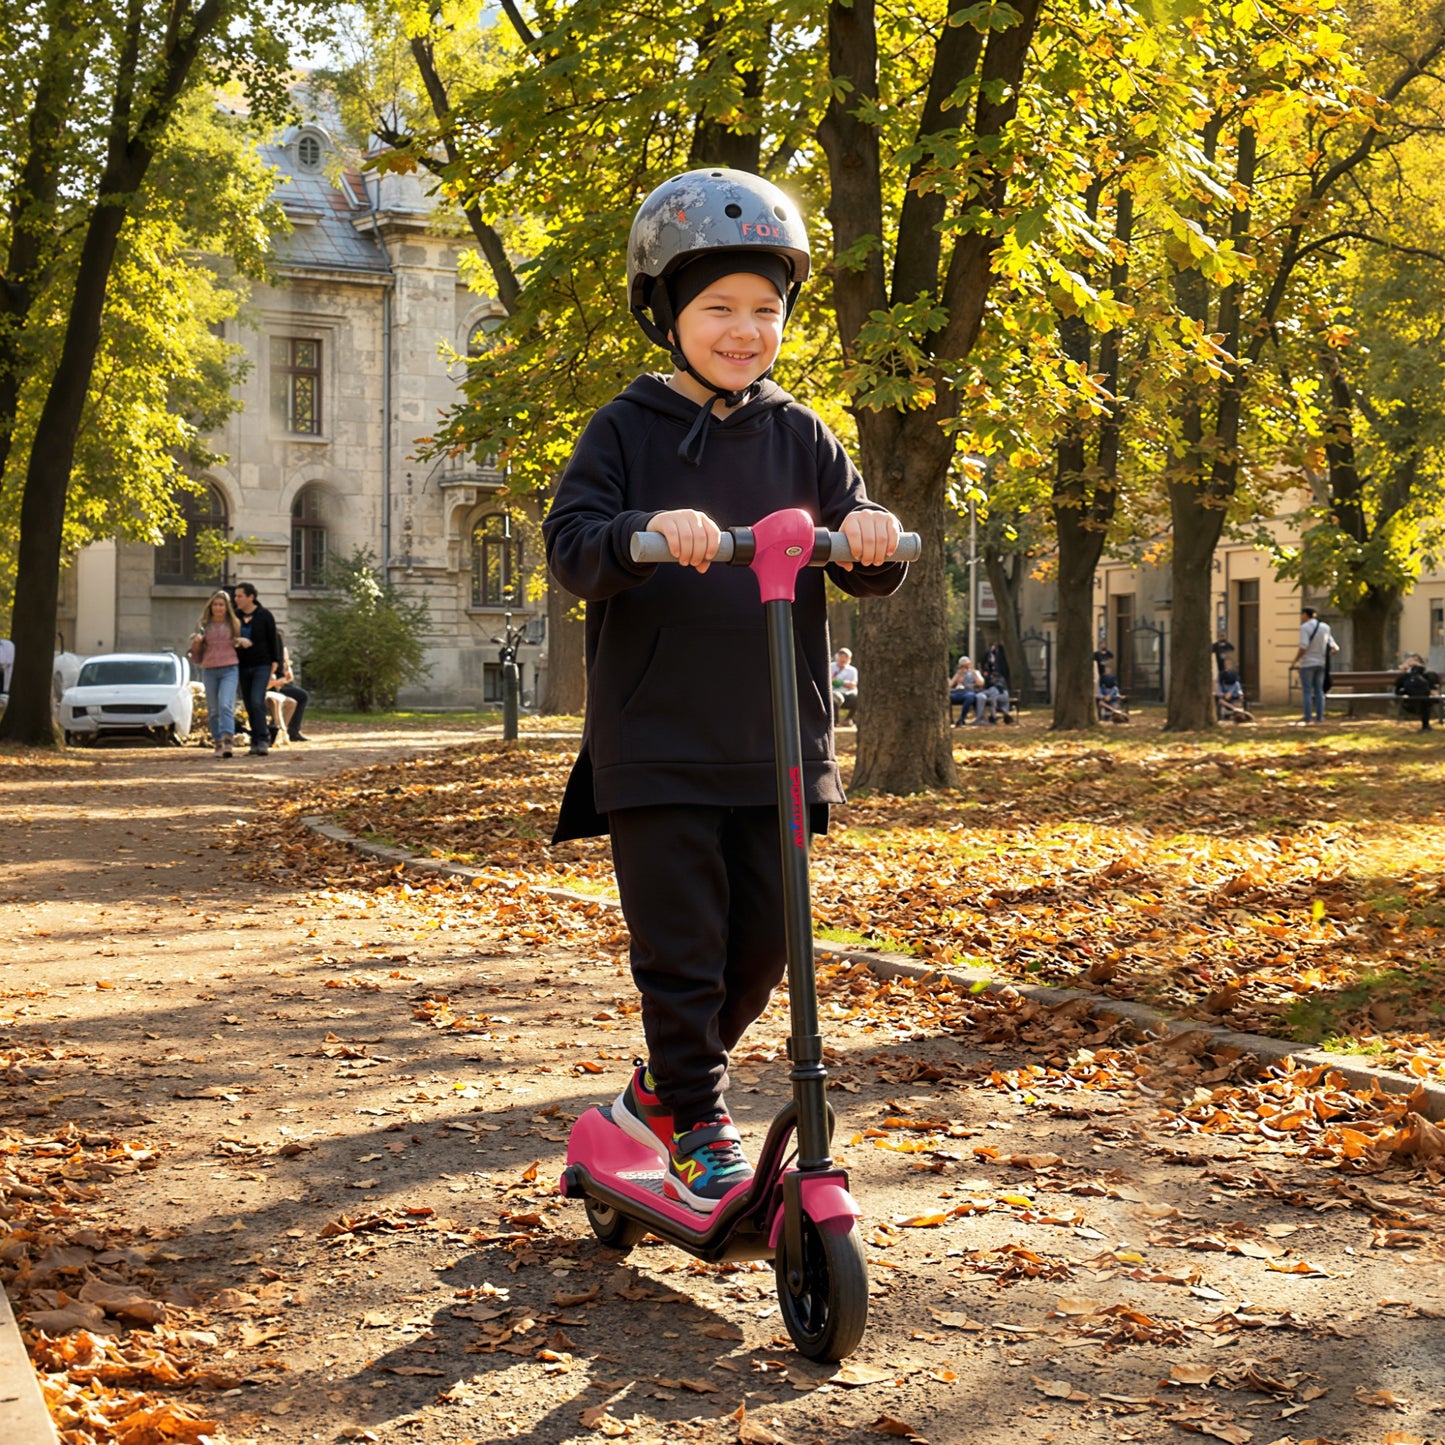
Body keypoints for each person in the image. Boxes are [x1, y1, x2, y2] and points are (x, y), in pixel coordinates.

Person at [543, 168, 905, 1214]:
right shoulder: (626, 430)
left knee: (758, 954)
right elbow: (572, 547)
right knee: (683, 947)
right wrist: (643, 536)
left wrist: (872, 535)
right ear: (665, 311)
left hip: (773, 736)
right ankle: (698, 1115)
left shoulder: (801, 435)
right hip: (655, 741)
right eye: (718, 309)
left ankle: (653, 1094)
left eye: (764, 309)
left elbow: (858, 551)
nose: (744, 330)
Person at [188, 590, 245, 758]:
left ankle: (228, 742)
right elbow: (196, 652)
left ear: (227, 607)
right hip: (209, 669)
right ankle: (217, 742)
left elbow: (240, 643)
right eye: (215, 604)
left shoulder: (234, 623)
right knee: (213, 709)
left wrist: (240, 642)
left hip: (230, 668)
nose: (218, 608)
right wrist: (197, 643)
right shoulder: (203, 624)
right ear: (210, 606)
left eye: (222, 605)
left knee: (225, 705)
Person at [232, 583, 280, 755]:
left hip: (262, 664)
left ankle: (263, 739)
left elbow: (273, 640)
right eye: (235, 596)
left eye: (239, 596)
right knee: (249, 704)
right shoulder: (235, 616)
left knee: (257, 701)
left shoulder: (264, 615)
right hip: (242, 665)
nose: (236, 599)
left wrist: (275, 661)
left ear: (251, 597)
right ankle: (255, 740)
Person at [1291, 605, 1338, 725]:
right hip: (1321, 663)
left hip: (1308, 663)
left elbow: (1303, 646)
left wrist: (1296, 660)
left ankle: (1307, 717)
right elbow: (1334, 647)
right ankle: (1320, 717)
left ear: (1306, 615)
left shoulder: (1305, 627)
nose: (1302, 617)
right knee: (1319, 691)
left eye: (1302, 615)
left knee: (1307, 691)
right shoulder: (1325, 627)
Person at [267, 633, 311, 743]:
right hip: (271, 687)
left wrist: (287, 674)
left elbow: (288, 674)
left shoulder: (281, 652)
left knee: (301, 695)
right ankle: (290, 731)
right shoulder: (267, 655)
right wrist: (279, 681)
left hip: (280, 684)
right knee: (301, 696)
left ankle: (293, 730)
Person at [1394, 655, 1440, 732]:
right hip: (1412, 700)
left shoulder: (1429, 674)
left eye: (1415, 661)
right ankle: (1426, 726)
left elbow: (1434, 687)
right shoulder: (1405, 676)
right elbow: (1397, 687)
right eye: (1410, 662)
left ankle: (1425, 726)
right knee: (1424, 699)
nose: (1413, 663)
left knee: (1424, 698)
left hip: (1422, 699)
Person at [948, 655, 983, 725]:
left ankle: (962, 718)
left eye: (966, 665)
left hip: (969, 692)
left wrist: (974, 674)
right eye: (963, 666)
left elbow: (981, 683)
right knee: (948, 697)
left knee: (969, 697)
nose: (965, 667)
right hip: (959, 692)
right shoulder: (958, 673)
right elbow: (950, 685)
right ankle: (950, 719)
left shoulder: (975, 672)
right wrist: (958, 675)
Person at [830, 647, 858, 726]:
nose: (842, 659)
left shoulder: (852, 670)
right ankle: (835, 722)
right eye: (841, 656)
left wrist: (842, 683)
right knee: (834, 699)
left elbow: (853, 684)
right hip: (834, 692)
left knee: (858, 699)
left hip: (848, 693)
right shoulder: (830, 667)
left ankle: (848, 719)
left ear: (849, 659)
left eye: (845, 657)